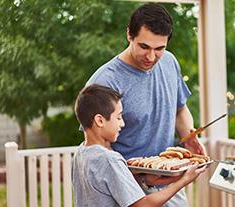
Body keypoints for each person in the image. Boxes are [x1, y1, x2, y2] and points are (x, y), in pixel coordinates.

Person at [85, 3, 205, 206]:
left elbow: (180, 109)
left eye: (159, 48)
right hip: (128, 189)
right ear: (129, 35)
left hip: (170, 181)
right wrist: (141, 178)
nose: (151, 57)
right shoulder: (105, 81)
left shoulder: (169, 62)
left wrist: (189, 136)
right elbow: (95, 145)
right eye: (144, 47)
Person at [72, 84, 206, 207]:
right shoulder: (109, 160)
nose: (122, 124)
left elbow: (108, 187)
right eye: (118, 117)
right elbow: (142, 205)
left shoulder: (80, 153)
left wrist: (145, 179)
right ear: (100, 120)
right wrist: (183, 181)